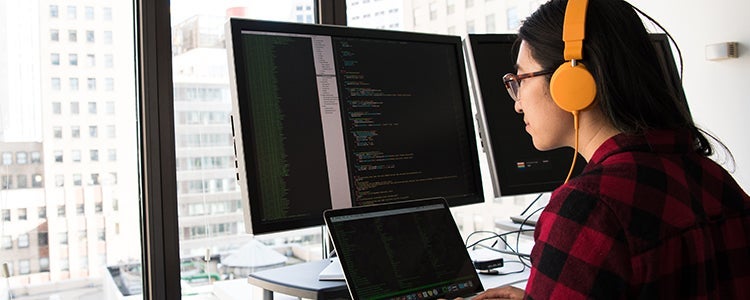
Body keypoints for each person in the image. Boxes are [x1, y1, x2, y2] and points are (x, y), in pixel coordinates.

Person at [473, 0, 750, 299]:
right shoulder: (716, 179)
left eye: (521, 79)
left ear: (572, 81)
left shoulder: (588, 209)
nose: (517, 103)